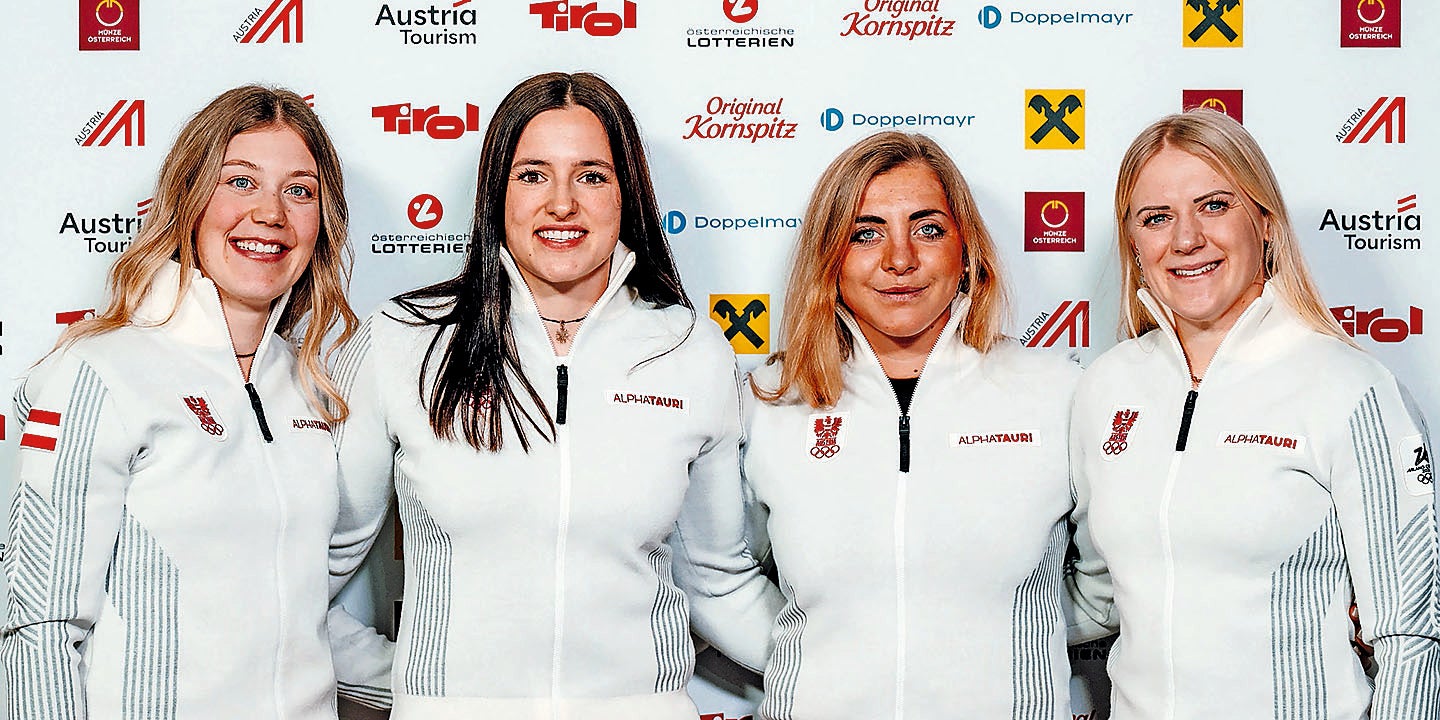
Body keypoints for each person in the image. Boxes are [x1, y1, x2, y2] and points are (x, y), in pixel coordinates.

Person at [327, 71, 782, 719]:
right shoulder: (404, 339)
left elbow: (716, 581)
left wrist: (848, 674)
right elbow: (305, 575)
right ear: (498, 193)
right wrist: (419, 687)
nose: (561, 203)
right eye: (533, 175)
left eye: (591, 176)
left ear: (626, 195)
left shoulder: (690, 350)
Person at [3, 85, 391, 717]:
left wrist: (480, 691)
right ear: (189, 199)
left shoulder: (312, 389)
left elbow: (295, 619)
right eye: (240, 182)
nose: (271, 213)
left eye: (300, 190)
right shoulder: (100, 371)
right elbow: (41, 628)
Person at [1067, 109, 1440, 718]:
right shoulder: (1105, 387)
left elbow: (1411, 635)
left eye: (1214, 205)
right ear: (1133, 241)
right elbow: (1097, 596)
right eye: (1156, 217)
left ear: (1265, 222)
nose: (1186, 239)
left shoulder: (1352, 388)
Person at [740, 131, 1087, 719]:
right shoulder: (768, 400)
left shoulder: (1058, 391)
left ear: (965, 249)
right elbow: (718, 574)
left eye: (927, 229)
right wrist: (813, 656)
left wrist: (1022, 637)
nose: (899, 260)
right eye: (866, 233)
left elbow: (1110, 577)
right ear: (829, 256)